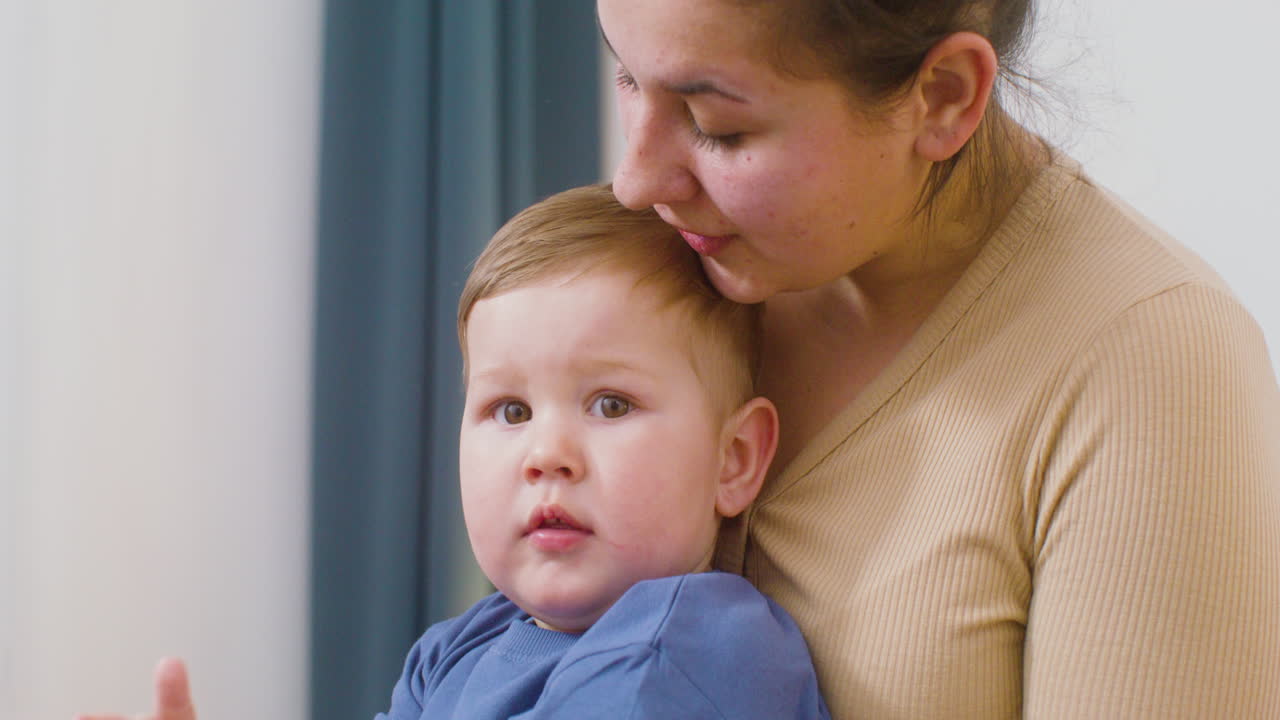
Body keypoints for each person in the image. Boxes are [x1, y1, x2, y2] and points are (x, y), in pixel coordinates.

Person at [594, 1, 1280, 719]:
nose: (632, 183)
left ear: (944, 95)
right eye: (629, 77)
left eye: (716, 127)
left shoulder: (1148, 361)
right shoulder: (649, 274)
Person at [77, 185, 831, 720]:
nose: (547, 455)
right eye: (509, 410)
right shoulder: (459, 649)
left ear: (734, 459)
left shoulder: (694, 649)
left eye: (610, 404)